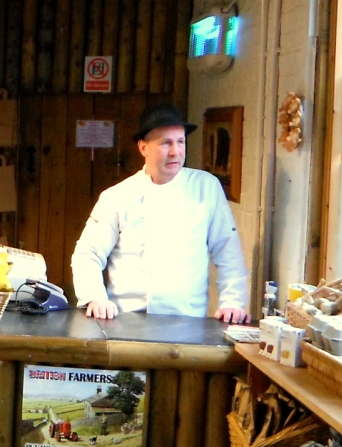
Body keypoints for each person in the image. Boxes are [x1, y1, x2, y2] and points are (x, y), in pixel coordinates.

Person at [70, 102, 250, 323]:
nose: (175, 151)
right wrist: (95, 297)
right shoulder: (117, 197)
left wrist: (233, 302)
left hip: (189, 321)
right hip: (126, 321)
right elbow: (87, 254)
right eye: (166, 143)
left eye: (180, 141)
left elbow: (228, 252)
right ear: (143, 148)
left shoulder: (206, 188)